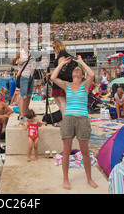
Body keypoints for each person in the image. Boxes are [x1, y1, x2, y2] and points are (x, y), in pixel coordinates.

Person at [50, 55, 98, 190]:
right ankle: (66, 179)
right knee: (66, 151)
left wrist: (81, 62)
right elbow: (53, 78)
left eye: (79, 70)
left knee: (85, 151)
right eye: (75, 69)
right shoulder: (67, 85)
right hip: (68, 118)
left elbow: (92, 74)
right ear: (71, 74)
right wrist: (62, 64)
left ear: (82, 75)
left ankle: (89, 178)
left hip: (82, 118)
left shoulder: (85, 84)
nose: (76, 70)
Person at [50, 40, 70, 115]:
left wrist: (53, 74)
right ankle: (64, 118)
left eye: (54, 47)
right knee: (59, 100)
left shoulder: (61, 54)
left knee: (61, 100)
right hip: (60, 78)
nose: (53, 49)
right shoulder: (62, 54)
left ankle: (64, 119)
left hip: (60, 79)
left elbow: (60, 67)